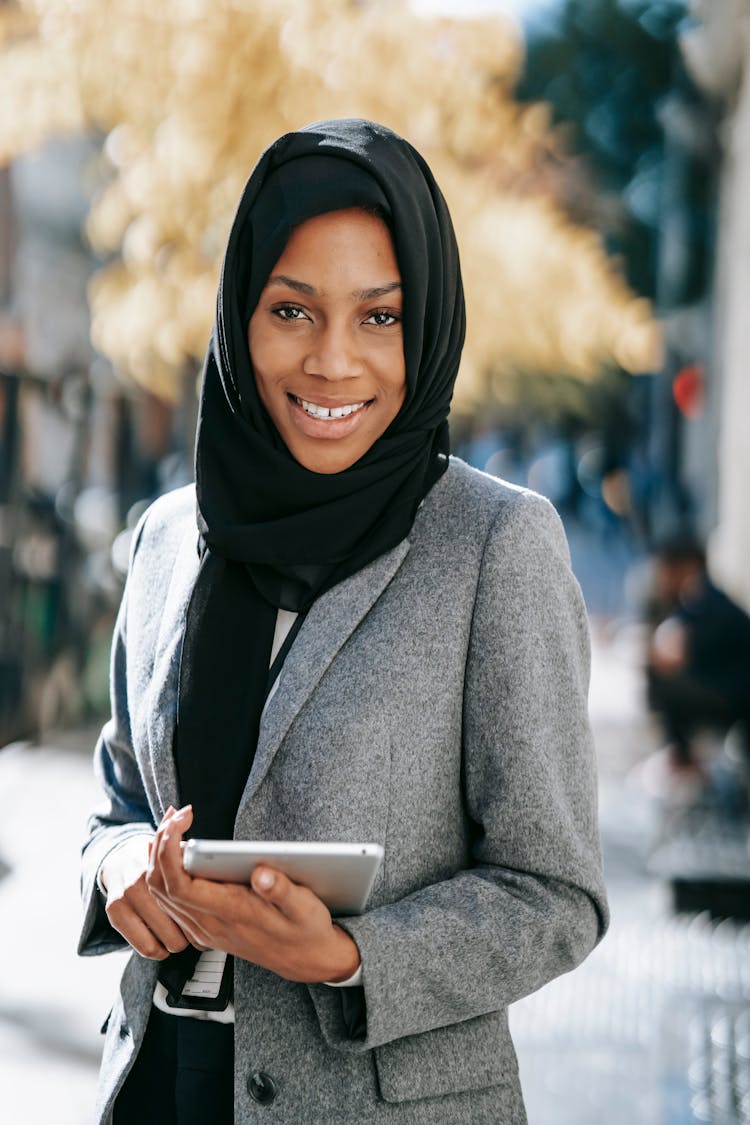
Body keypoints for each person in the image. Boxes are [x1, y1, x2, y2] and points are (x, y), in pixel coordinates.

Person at [79, 118, 608, 1125]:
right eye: (292, 310)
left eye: (379, 317)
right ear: (241, 316)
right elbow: (114, 803)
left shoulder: (498, 545)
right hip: (157, 1087)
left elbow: (556, 895)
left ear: (431, 324)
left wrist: (351, 957)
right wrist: (115, 871)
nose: (331, 362)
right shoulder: (165, 539)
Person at [646, 534, 750, 785]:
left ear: (688, 566)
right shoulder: (699, 598)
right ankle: (682, 757)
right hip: (729, 691)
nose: (660, 577)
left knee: (661, 682)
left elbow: (675, 655)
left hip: (737, 699)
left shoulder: (707, 599)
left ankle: (682, 760)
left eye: (666, 568)